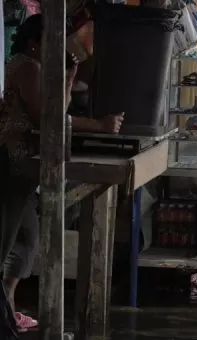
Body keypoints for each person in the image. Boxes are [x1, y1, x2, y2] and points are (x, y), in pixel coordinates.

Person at [0, 14, 124, 334]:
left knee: (26, 240)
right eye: (51, 41)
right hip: (12, 163)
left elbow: (59, 109)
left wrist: (68, 78)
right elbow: (48, 118)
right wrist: (97, 124)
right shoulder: (26, 66)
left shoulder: (36, 67)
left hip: (24, 165)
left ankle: (8, 309)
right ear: (33, 44)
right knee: (7, 242)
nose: (58, 47)